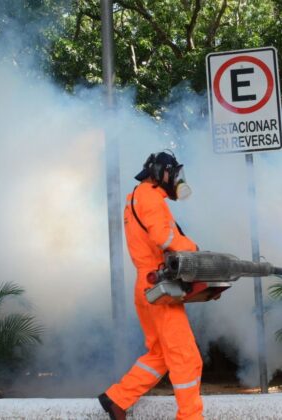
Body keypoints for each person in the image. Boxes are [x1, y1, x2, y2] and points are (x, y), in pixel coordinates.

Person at [99, 151, 203, 420]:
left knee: (159, 354)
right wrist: (193, 249)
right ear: (162, 173)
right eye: (174, 173)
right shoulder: (147, 196)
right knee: (186, 358)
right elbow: (164, 236)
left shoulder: (137, 196)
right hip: (159, 289)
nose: (178, 180)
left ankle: (117, 399)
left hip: (147, 285)